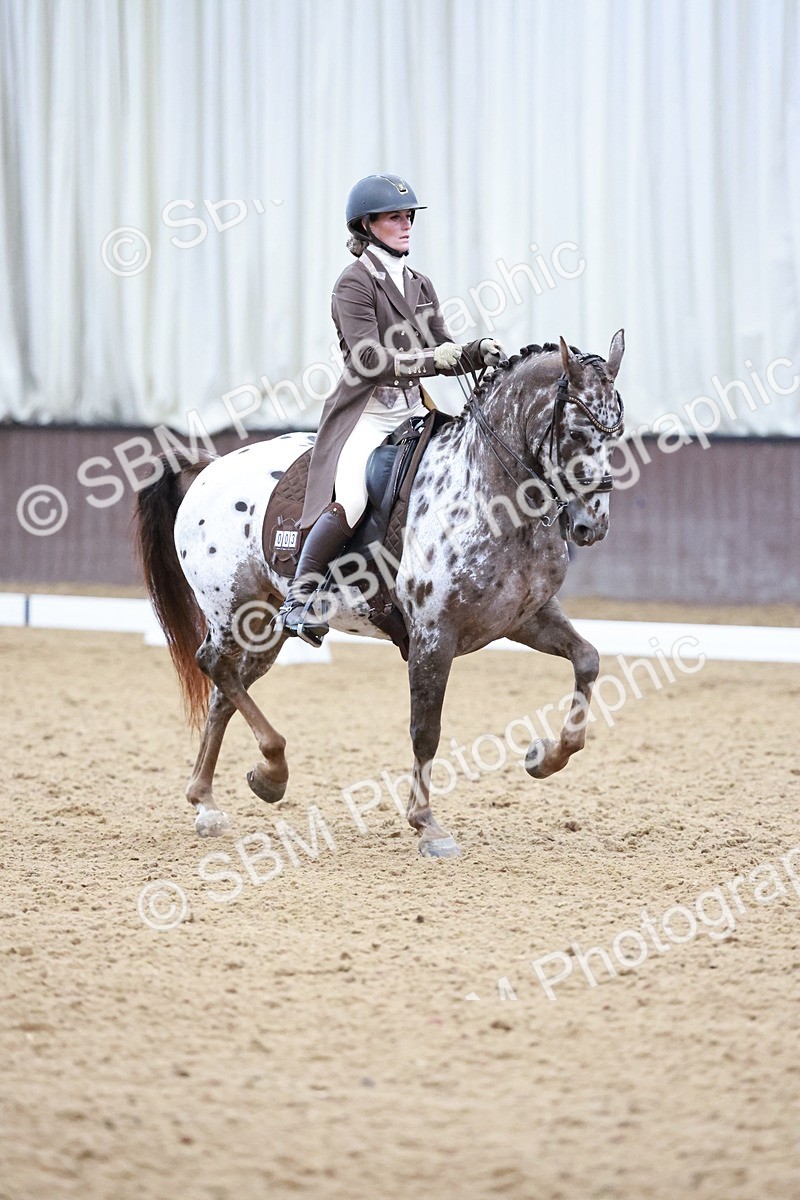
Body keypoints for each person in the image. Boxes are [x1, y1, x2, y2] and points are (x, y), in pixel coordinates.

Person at [276, 173, 503, 644]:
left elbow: (442, 346)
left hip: (413, 412)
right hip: (366, 415)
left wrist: (475, 352)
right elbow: (368, 359)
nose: (406, 225)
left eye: (408, 217)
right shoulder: (354, 283)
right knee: (353, 498)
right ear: (367, 225)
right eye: (394, 218)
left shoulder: (419, 284)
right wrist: (434, 359)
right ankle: (299, 597)